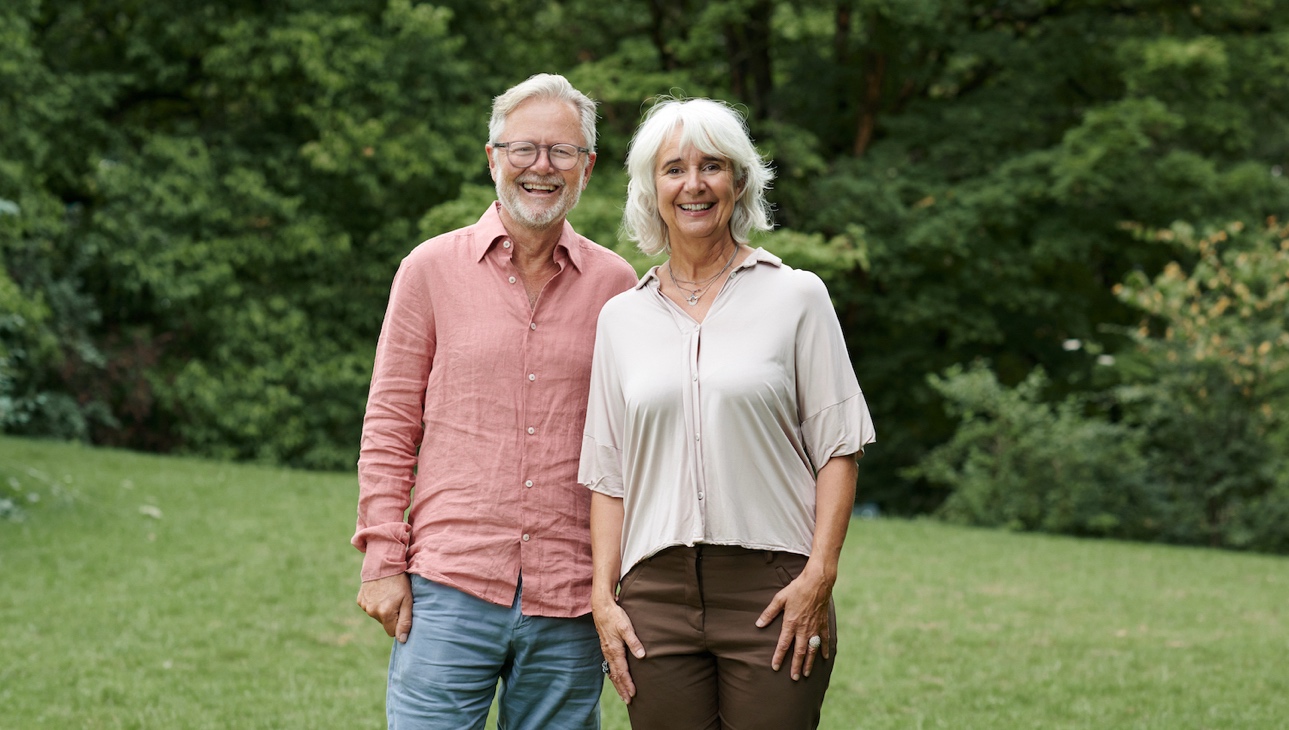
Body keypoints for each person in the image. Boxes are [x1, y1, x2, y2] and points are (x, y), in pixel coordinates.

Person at [352, 73, 639, 729]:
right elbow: (390, 425)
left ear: (587, 167)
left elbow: (627, 446)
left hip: (569, 597)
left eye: (561, 151)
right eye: (523, 149)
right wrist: (381, 560)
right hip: (448, 586)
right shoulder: (428, 269)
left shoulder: (617, 287)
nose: (541, 166)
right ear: (492, 158)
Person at [579, 97, 876, 729]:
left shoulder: (797, 296)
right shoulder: (620, 319)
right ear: (650, 188)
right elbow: (608, 475)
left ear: (738, 181)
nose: (693, 184)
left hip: (773, 587)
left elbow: (838, 449)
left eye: (711, 165)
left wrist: (819, 576)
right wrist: (604, 598)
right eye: (673, 169)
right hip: (654, 595)